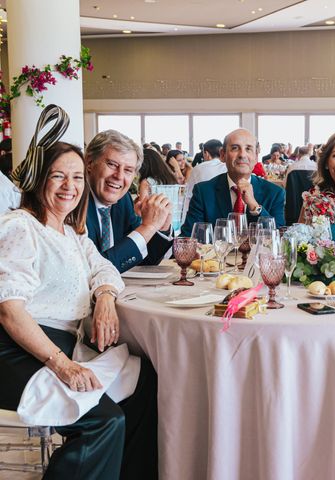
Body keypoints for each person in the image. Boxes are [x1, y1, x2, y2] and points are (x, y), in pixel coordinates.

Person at [0, 106, 157, 479]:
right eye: (58, 176)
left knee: (146, 380)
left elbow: (103, 266)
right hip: (18, 350)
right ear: (39, 180)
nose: (69, 186)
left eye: (75, 177)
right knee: (102, 422)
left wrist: (103, 297)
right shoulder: (21, 227)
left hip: (62, 346)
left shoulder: (72, 232)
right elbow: (9, 311)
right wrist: (62, 365)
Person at [85, 130, 173, 273]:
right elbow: (95, 269)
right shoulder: (74, 201)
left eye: (128, 170)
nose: (119, 176)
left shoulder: (122, 199)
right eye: (112, 164)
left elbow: (141, 260)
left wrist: (160, 228)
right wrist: (147, 227)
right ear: (89, 163)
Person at [181, 128, 286, 234]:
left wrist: (254, 206)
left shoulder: (275, 193)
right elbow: (188, 237)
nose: (242, 155)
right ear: (222, 155)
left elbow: (278, 238)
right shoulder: (203, 191)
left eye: (248, 149)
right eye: (235, 148)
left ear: (256, 156)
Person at [182, 138, 227, 219]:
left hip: (202, 212)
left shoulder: (198, 169)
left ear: (206, 153)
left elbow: (189, 195)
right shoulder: (227, 167)